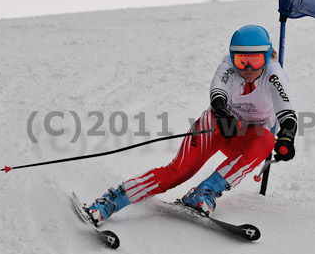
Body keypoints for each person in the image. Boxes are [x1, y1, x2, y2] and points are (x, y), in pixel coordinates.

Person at [84, 24, 297, 226]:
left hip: (247, 137)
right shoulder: (228, 68)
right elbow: (217, 94)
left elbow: (286, 111)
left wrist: (287, 135)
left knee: (267, 140)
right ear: (233, 57)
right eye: (242, 61)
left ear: (267, 57)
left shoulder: (273, 75)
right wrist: (223, 113)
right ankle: (111, 201)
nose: (248, 68)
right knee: (179, 172)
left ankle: (205, 193)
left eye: (255, 61)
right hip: (219, 126)